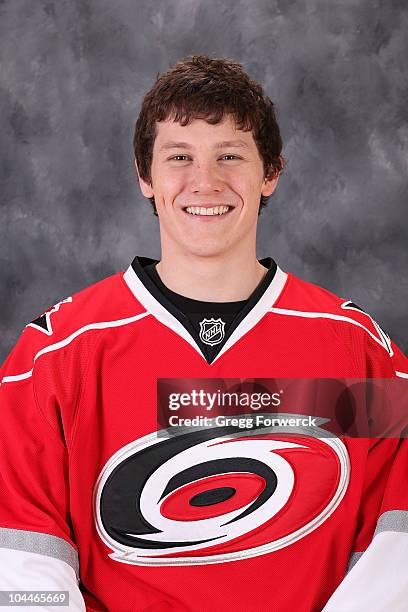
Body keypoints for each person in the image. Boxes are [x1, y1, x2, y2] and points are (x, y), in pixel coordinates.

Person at [0, 54, 407, 612]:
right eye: (179, 156)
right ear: (145, 176)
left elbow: (396, 536)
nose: (205, 181)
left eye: (231, 155)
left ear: (271, 173)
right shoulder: (57, 353)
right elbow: (19, 564)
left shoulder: (354, 348)